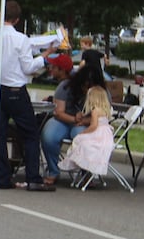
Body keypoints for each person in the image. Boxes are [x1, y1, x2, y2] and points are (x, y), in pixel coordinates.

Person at [0, 0, 53, 191]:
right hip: (16, 90)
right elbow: (28, 67)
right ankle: (33, 177)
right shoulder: (21, 39)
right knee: (30, 134)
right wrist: (44, 58)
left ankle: (2, 178)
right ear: (17, 19)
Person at [41, 53, 108, 186]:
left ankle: (86, 173)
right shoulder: (65, 87)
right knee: (49, 135)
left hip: (88, 122)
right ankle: (53, 171)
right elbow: (58, 112)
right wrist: (73, 118)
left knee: (82, 136)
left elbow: (104, 114)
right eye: (85, 86)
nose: (87, 90)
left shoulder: (102, 92)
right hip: (64, 120)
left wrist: (84, 121)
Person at [59, 85, 115, 180]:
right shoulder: (106, 109)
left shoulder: (94, 111)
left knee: (78, 140)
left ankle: (74, 163)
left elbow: (93, 126)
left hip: (98, 133)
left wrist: (84, 132)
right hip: (106, 135)